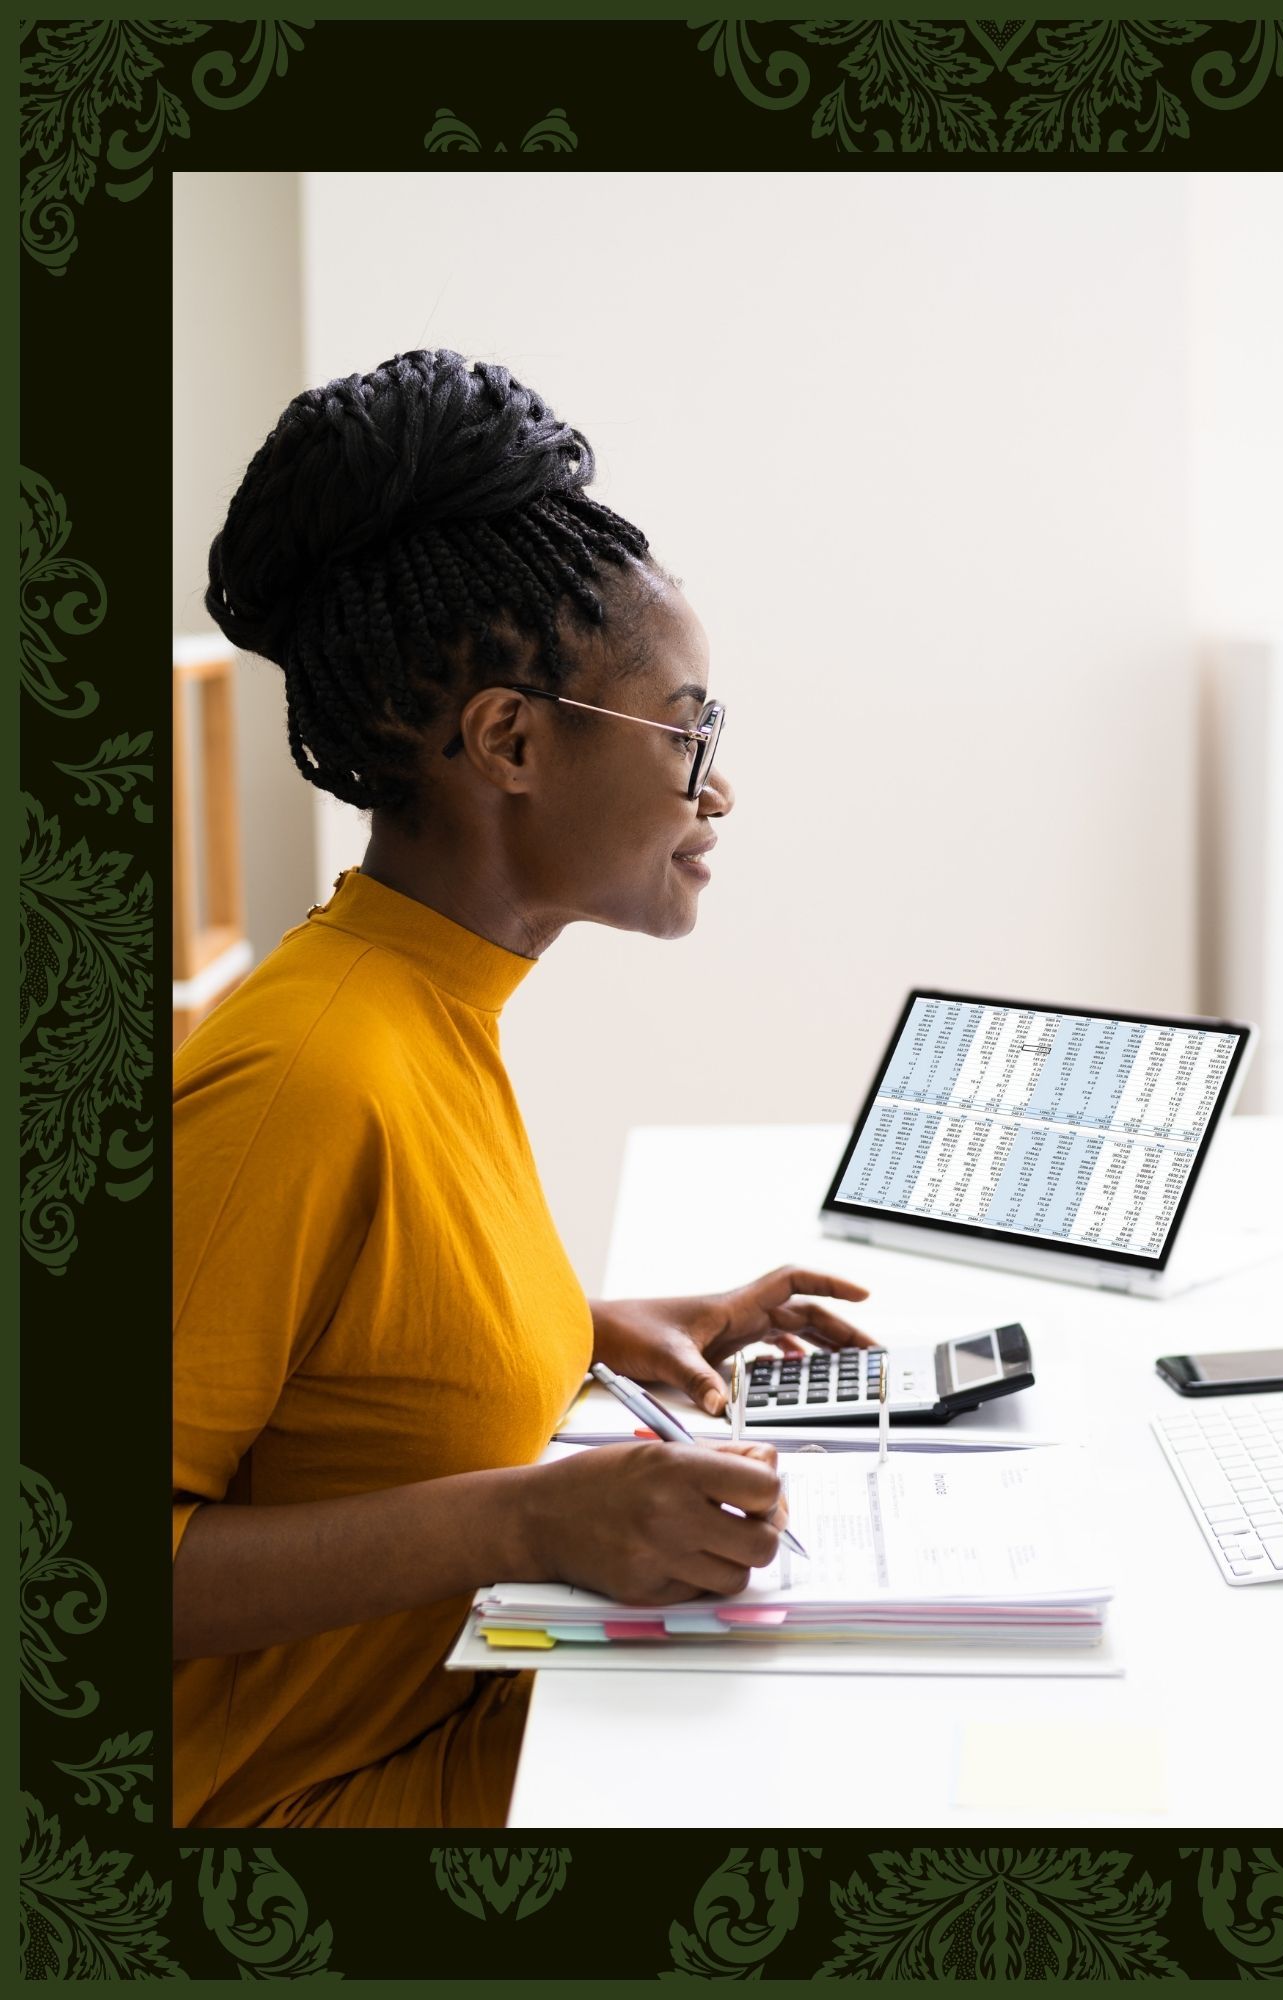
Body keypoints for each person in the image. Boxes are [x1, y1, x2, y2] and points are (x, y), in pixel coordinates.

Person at [175, 348, 873, 1827]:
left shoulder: (431, 1005)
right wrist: (534, 1512)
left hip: (475, 1720)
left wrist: (587, 1332)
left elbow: (361, 1379)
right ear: (508, 740)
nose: (717, 788)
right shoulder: (304, 1075)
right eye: (689, 731)